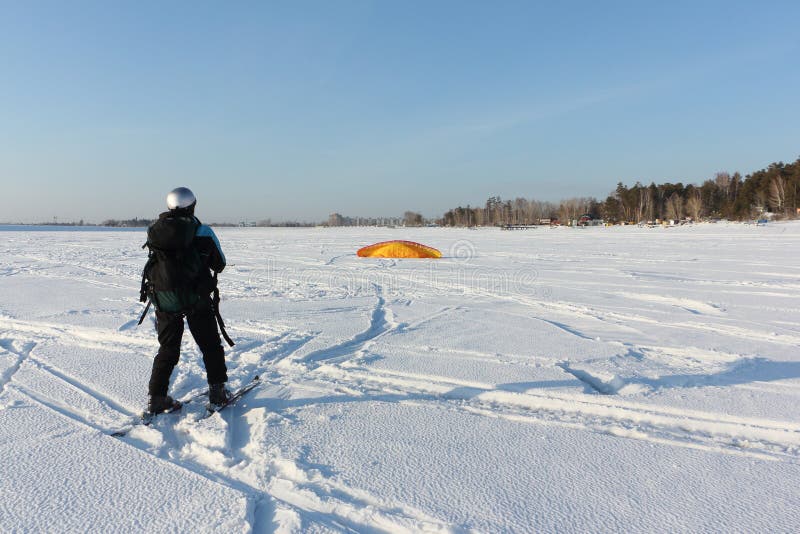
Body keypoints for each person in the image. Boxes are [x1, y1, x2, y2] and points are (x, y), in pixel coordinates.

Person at [141, 187, 232, 414]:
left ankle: (156, 399)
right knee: (210, 345)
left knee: (167, 349)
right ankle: (218, 393)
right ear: (192, 205)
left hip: (164, 298)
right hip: (196, 298)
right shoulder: (202, 231)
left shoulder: (155, 230)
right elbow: (219, 263)